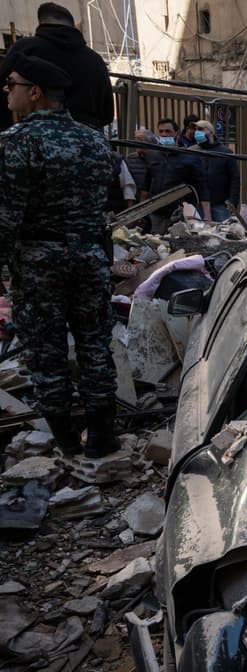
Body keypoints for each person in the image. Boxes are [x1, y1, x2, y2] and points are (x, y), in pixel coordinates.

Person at [0, 53, 120, 457]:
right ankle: (103, 438)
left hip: (38, 262)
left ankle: (67, 443)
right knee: (93, 344)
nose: (6, 90)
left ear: (33, 93)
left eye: (12, 83)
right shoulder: (94, 140)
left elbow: (6, 215)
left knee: (46, 350)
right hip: (89, 256)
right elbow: (107, 198)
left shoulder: (15, 144)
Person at [0, 3, 112, 131]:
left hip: (33, 136)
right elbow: (107, 115)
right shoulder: (95, 59)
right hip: (88, 138)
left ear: (40, 23)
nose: (7, 88)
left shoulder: (25, 49)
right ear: (72, 25)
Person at [148, 117, 211, 232]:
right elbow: (146, 185)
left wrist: (207, 216)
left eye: (168, 131)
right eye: (161, 131)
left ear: (176, 133)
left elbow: (202, 187)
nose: (164, 134)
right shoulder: (153, 156)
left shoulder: (189, 157)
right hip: (157, 213)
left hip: (181, 213)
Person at [190, 120, 240, 222]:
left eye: (200, 129)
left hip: (220, 204)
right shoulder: (191, 152)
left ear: (211, 132)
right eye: (195, 129)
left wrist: (232, 202)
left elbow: (235, 178)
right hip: (197, 205)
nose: (196, 132)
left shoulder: (225, 152)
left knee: (222, 232)